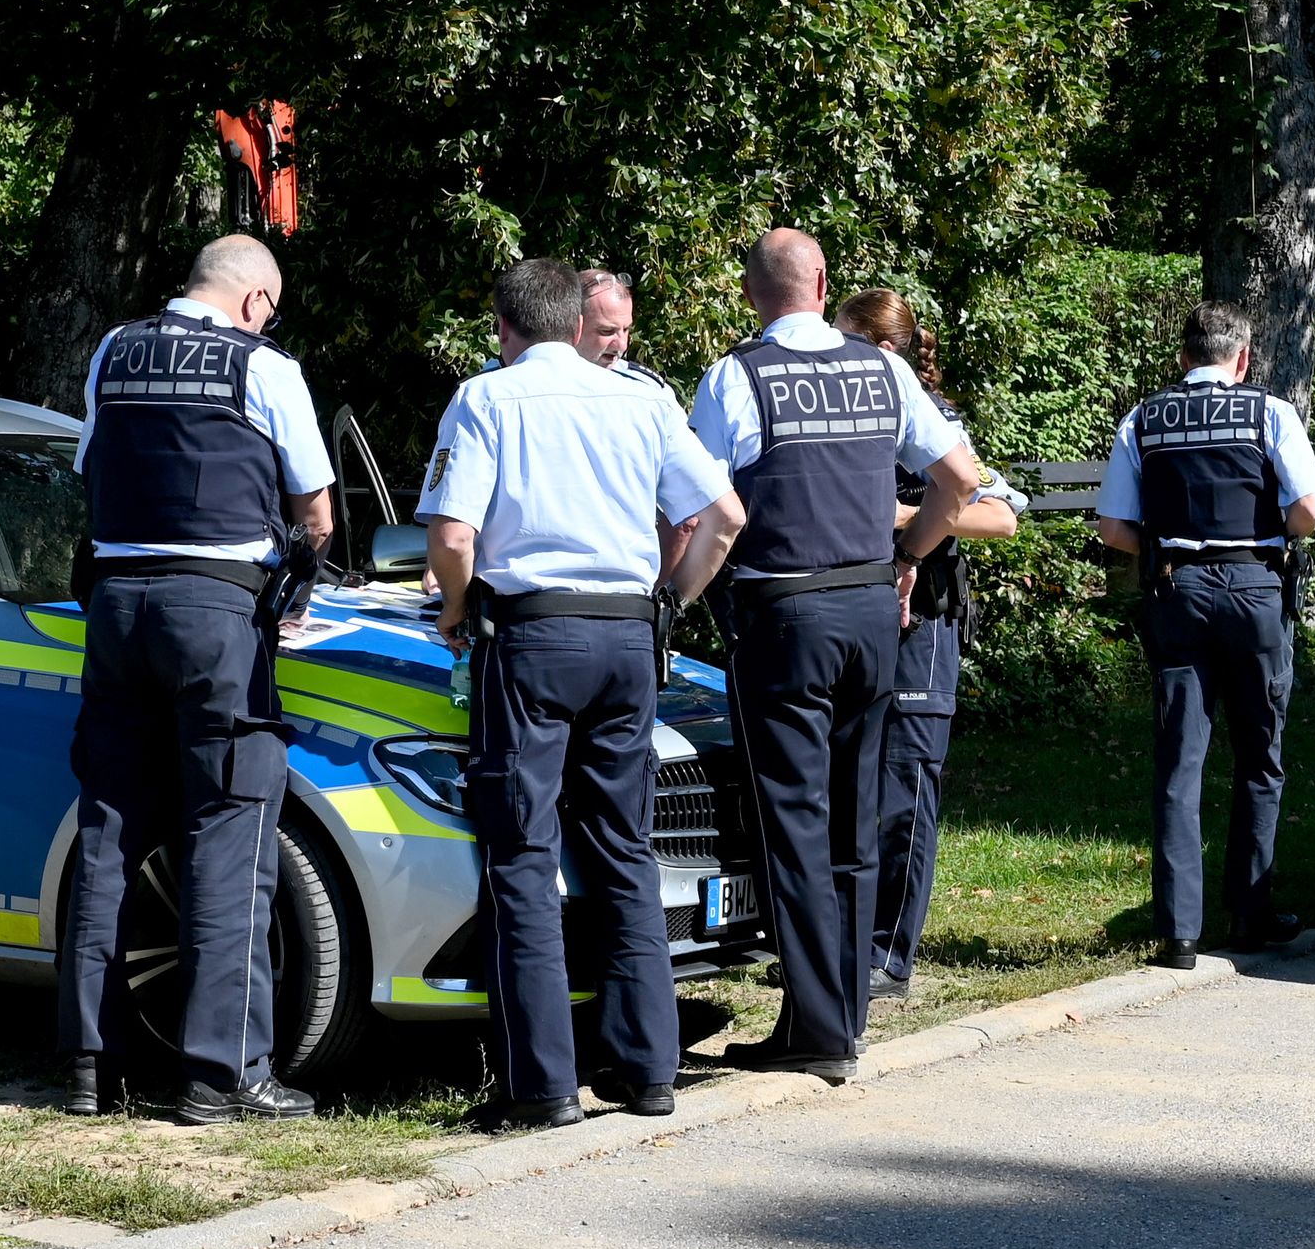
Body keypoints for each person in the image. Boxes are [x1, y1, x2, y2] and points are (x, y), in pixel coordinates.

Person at [418, 258, 747, 1129]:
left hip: (530, 635)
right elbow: (725, 516)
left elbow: (453, 534)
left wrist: (455, 607)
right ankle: (650, 1070)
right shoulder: (642, 398)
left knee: (523, 855)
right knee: (623, 846)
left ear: (505, 327)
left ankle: (543, 1086)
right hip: (626, 636)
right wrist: (669, 605)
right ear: (575, 323)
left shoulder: (487, 398)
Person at [687, 229, 993, 1078]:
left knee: (794, 820)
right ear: (825, 283)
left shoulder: (736, 375)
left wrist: (678, 592)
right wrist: (909, 555)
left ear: (752, 294)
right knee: (859, 820)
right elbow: (961, 478)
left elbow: (701, 500)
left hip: (784, 611)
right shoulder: (884, 369)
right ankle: (842, 1014)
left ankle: (819, 1030)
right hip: (870, 613)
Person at [54, 233, 338, 1122]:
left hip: (115, 608)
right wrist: (297, 578)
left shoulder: (113, 347)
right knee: (230, 830)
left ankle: (88, 1067)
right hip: (216, 615)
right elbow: (316, 511)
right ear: (255, 302)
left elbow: (88, 468)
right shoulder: (267, 367)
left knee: (108, 831)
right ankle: (223, 1075)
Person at [1094, 300, 1315, 965]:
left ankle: (1179, 932)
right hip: (1254, 586)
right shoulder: (1269, 412)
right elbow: (1308, 511)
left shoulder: (1144, 418)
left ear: (1183, 357)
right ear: (1243, 357)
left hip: (1177, 589)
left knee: (1179, 761)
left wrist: (1170, 547)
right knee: (1260, 754)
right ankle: (1250, 912)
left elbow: (1113, 530)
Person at [831, 287, 1018, 1004]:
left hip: (923, 626)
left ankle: (889, 955)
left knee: (905, 789)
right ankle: (843, 944)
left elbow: (999, 516)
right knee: (852, 784)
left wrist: (907, 523)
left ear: (883, 350)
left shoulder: (934, 419)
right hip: (855, 618)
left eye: (849, 343)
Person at [574, 267, 674, 396]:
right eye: (607, 331)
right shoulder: (544, 388)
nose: (622, 345)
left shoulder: (649, 391)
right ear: (573, 326)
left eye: (626, 329)